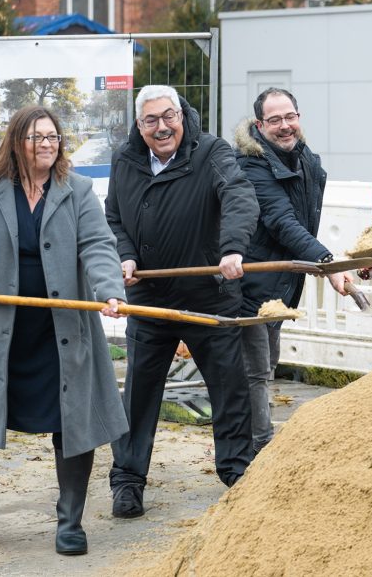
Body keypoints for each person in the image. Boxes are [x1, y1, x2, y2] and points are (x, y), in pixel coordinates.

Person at [0, 105, 128, 556]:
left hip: (61, 329)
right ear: (16, 142)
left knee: (74, 418)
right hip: (3, 328)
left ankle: (70, 521)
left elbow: (99, 245)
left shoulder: (77, 190)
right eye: (36, 137)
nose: (47, 144)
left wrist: (110, 290)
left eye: (53, 136)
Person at [106, 85, 259, 518]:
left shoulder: (209, 151)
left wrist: (232, 249)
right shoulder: (126, 159)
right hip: (148, 300)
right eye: (150, 120)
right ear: (139, 126)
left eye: (168, 116)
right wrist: (125, 254)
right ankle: (128, 481)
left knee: (229, 388)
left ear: (181, 114)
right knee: (138, 394)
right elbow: (113, 215)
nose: (161, 127)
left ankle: (236, 472)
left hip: (208, 295)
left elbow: (239, 197)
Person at [232, 88, 350, 453]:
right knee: (254, 370)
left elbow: (304, 219)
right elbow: (283, 222)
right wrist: (327, 263)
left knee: (268, 361)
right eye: (275, 120)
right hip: (250, 281)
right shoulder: (251, 166)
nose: (285, 126)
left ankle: (255, 445)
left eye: (290, 117)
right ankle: (258, 449)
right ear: (259, 124)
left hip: (282, 281)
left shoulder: (305, 159)